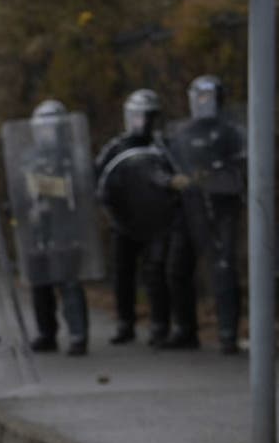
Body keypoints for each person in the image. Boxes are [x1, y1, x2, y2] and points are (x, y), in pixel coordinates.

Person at [164, 75, 245, 353]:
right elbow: (172, 164)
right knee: (178, 267)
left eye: (208, 98)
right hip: (189, 205)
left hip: (220, 206)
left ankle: (227, 333)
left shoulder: (230, 131)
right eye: (199, 98)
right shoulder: (182, 133)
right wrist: (174, 180)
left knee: (223, 267)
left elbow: (241, 167)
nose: (203, 103)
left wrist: (213, 175)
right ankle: (185, 329)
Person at [93, 89, 172, 346]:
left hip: (157, 222)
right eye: (139, 116)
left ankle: (160, 325)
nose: (143, 122)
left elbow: (176, 177)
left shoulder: (163, 147)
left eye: (149, 117)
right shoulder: (116, 146)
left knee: (155, 274)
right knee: (123, 274)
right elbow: (98, 177)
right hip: (123, 221)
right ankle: (125, 323)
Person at [20, 100, 90, 356]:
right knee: (40, 282)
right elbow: (21, 186)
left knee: (68, 281)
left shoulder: (73, 155)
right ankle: (46, 333)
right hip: (38, 225)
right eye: (43, 129)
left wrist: (45, 186)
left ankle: (78, 335)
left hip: (66, 224)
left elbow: (79, 189)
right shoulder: (30, 156)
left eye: (52, 128)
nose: (47, 134)